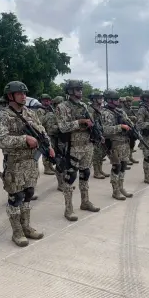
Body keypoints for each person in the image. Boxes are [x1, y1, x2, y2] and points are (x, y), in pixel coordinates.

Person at [0, 81, 48, 247]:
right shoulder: (3, 115)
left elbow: (42, 130)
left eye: (25, 93)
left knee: (29, 194)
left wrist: (49, 147)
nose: (24, 96)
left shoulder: (30, 113)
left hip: (31, 162)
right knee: (16, 198)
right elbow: (2, 140)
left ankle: (26, 227)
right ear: (10, 96)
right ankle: (17, 232)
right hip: (15, 164)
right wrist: (24, 139)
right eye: (20, 93)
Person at [55, 80, 100, 221]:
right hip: (73, 146)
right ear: (69, 91)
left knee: (85, 173)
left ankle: (85, 202)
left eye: (80, 89)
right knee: (70, 177)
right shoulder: (62, 107)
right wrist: (80, 122)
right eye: (76, 89)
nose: (80, 91)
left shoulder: (84, 106)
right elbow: (62, 127)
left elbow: (91, 123)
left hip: (87, 145)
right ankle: (68, 209)